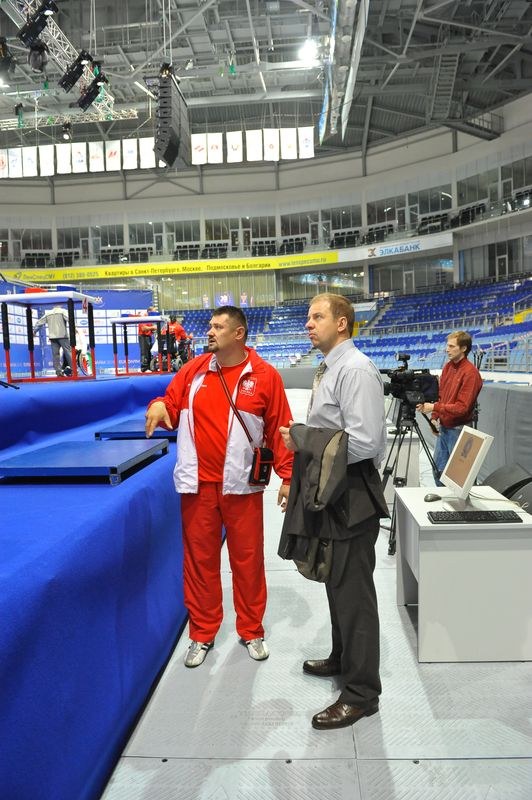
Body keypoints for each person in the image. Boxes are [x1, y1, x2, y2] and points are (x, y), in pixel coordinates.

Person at [145, 305, 293, 668]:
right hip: (198, 486)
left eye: (218, 327)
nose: (209, 332)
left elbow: (281, 428)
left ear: (238, 333)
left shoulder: (264, 376)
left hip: (241, 486)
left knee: (248, 561)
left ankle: (251, 629)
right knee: (200, 564)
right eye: (210, 326)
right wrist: (159, 405)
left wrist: (289, 477)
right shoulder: (193, 370)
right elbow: (170, 401)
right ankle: (202, 632)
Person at [279, 293, 389, 731]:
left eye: (317, 316)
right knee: (335, 582)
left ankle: (362, 694)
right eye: (308, 317)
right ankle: (343, 658)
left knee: (354, 594)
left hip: (351, 493)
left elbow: (365, 442)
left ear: (342, 323)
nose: (309, 323)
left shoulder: (355, 369)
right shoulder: (331, 368)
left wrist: (302, 437)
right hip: (333, 489)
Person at [416, 330, 482, 485]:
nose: (447, 349)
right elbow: (442, 396)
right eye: (447, 346)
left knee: (458, 479)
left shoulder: (471, 373)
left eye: (452, 346)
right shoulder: (447, 367)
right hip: (445, 428)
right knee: (438, 472)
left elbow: (462, 408)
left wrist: (434, 407)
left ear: (463, 348)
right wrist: (434, 418)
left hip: (459, 430)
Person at [33, 303, 72, 377]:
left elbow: (39, 322)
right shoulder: (63, 311)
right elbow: (70, 319)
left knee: (55, 355)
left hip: (53, 337)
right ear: (60, 305)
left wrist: (34, 331)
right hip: (63, 336)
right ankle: (74, 370)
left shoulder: (48, 313)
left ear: (53, 306)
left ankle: (58, 372)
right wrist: (75, 328)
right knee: (68, 353)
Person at [138, 306, 156, 372]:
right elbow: (143, 328)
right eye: (154, 311)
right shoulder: (143, 317)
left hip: (148, 337)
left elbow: (149, 328)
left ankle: (148, 367)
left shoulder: (149, 318)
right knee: (144, 353)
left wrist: (153, 330)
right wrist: (153, 327)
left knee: (148, 352)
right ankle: (144, 368)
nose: (155, 312)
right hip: (143, 337)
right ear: (149, 311)